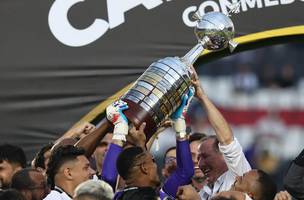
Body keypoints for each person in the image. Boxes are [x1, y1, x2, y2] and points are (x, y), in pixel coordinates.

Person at [177, 66, 276, 200]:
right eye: (197, 157)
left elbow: (227, 139)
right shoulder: (205, 191)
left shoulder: (238, 172)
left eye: (205, 156)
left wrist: (202, 97)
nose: (199, 163)